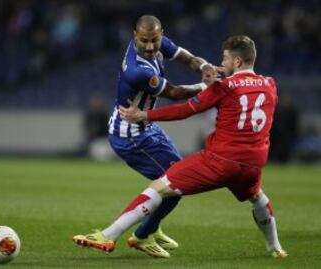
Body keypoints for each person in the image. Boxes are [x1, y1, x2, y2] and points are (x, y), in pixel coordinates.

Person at [73, 35, 288, 259]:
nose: (221, 63)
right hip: (253, 164)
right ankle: (275, 247)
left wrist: (145, 114)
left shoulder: (223, 87)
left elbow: (185, 109)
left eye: (225, 59)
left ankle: (109, 235)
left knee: (161, 186)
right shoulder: (270, 84)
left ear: (237, 62)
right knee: (258, 199)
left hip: (221, 160)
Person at [73, 15, 217, 258]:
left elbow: (185, 57)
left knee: (175, 175)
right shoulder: (138, 70)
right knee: (175, 185)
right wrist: (206, 87)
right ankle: (143, 235)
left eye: (154, 40)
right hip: (132, 135)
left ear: (161, 35)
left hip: (145, 125)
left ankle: (152, 227)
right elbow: (174, 92)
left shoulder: (156, 44)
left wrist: (204, 67)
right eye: (144, 41)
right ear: (134, 36)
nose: (150, 47)